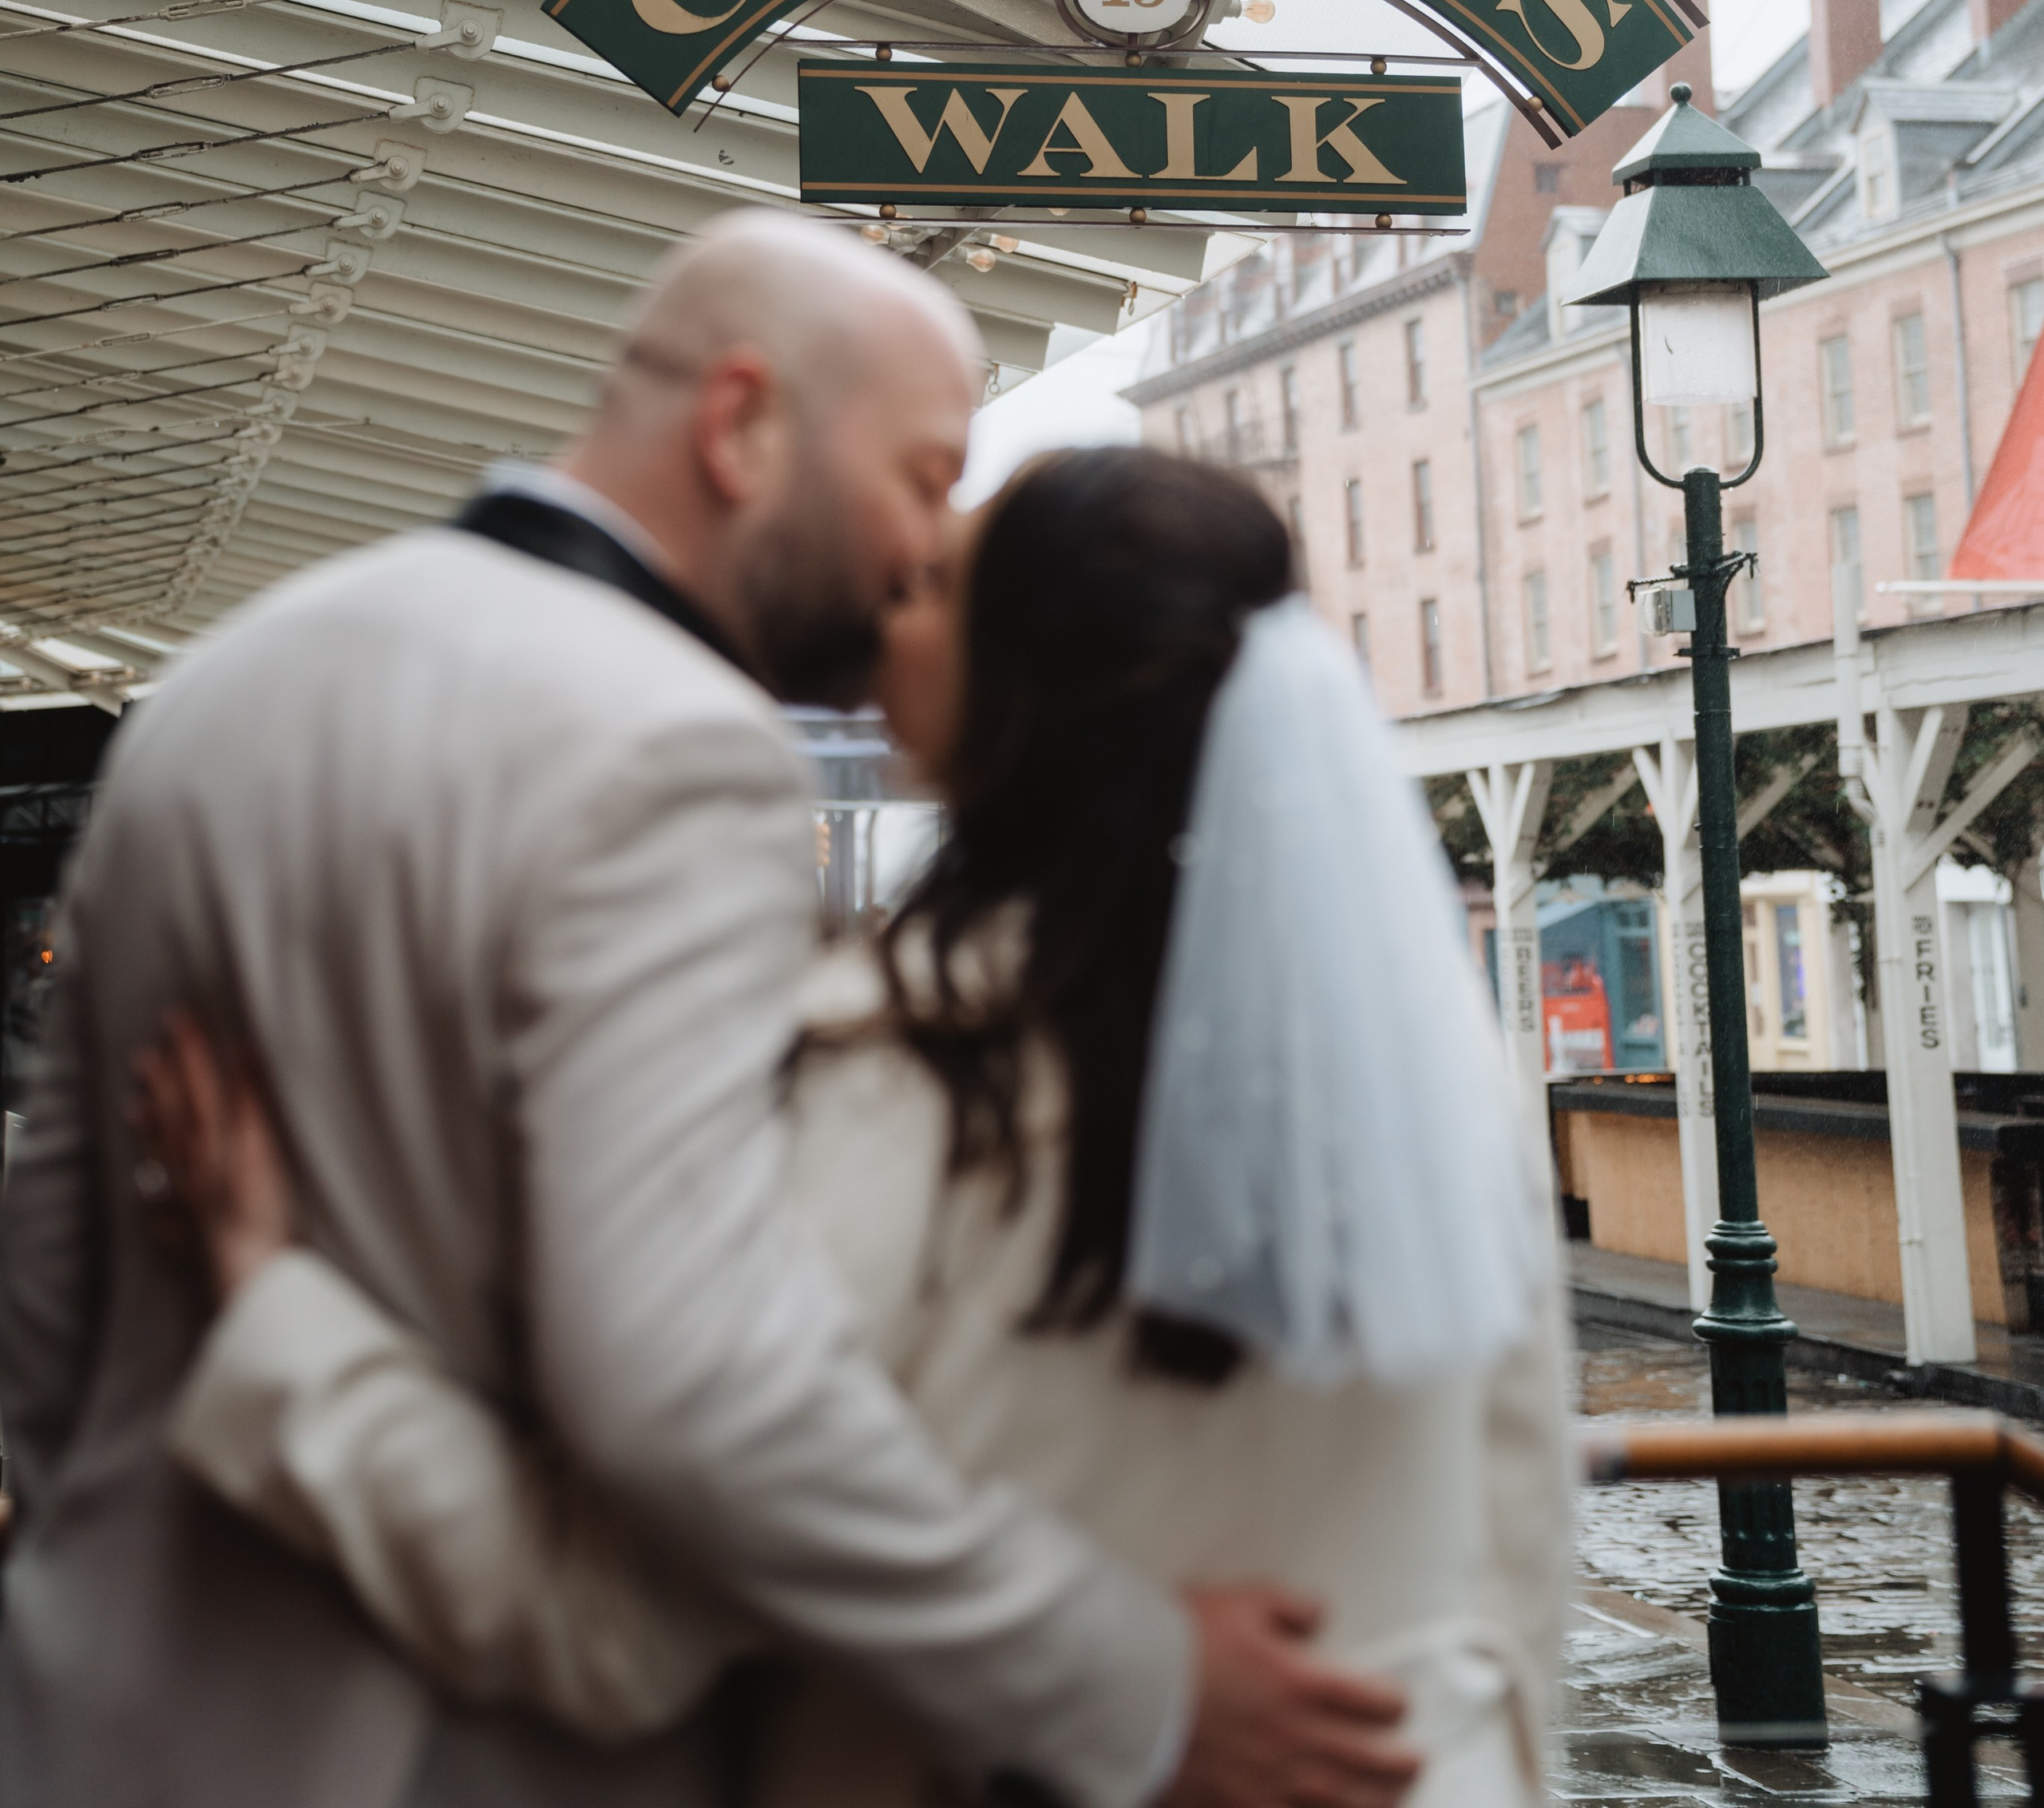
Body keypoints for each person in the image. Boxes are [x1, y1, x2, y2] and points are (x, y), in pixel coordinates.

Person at [0, 219, 1415, 1808]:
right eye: (921, 478)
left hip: (94, 1723)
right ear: (742, 425)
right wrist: (1123, 1681)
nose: (921, 554)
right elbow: (692, 1394)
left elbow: (49, 1297)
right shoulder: (683, 754)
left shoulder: (213, 692)